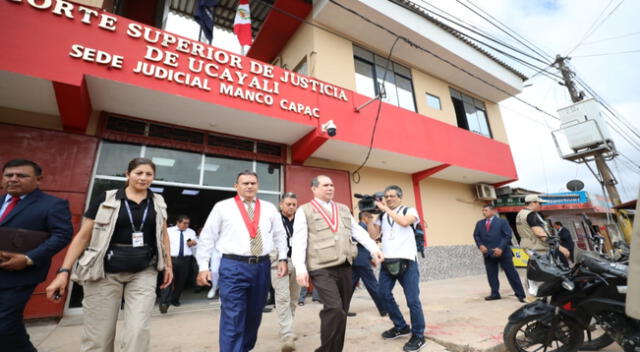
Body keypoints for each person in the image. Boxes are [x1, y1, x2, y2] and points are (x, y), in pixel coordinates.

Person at [46, 157, 173, 352]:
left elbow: (164, 236)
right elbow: (82, 237)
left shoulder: (158, 201)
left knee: (138, 331)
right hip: (103, 271)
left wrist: (168, 266)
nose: (143, 178)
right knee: (99, 335)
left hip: (143, 271)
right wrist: (64, 271)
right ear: (127, 174)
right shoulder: (106, 198)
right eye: (139, 173)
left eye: (149, 174)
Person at [196, 171, 288, 352]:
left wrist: (283, 257)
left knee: (254, 314)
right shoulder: (223, 207)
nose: (249, 186)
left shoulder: (269, 208)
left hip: (262, 266)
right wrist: (203, 266)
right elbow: (207, 237)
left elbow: (280, 235)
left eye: (253, 183)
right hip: (233, 265)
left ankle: (243, 349)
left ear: (258, 186)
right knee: (233, 315)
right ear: (235, 186)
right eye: (245, 183)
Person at [292, 175, 383, 352]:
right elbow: (299, 240)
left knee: (342, 312)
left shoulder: (342, 209)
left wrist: (374, 249)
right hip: (321, 267)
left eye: (332, 185)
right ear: (314, 189)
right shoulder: (305, 210)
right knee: (334, 309)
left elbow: (358, 233)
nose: (330, 188)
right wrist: (300, 269)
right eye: (325, 185)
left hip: (344, 266)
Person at [0, 159, 73, 352]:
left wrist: (28, 258)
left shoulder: (53, 204)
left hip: (19, 276)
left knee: (4, 325)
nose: (14, 179)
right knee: (10, 325)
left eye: (21, 175)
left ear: (39, 179)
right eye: (9, 175)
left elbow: (62, 235)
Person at [368, 185, 426, 352]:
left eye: (392, 196)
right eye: (386, 196)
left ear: (400, 197)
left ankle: (419, 335)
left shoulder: (410, 210)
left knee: (412, 300)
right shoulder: (382, 215)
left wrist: (384, 208)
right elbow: (373, 236)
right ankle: (401, 326)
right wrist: (372, 217)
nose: (388, 198)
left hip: (407, 262)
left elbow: (404, 222)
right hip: (388, 261)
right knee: (383, 294)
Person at [473, 204, 525, 302]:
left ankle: (520, 294)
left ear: (493, 211)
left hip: (503, 253)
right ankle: (495, 293)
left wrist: (500, 248)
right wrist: (480, 245)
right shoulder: (479, 223)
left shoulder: (502, 222)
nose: (483, 212)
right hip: (487, 253)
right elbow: (476, 235)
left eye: (486, 210)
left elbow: (507, 235)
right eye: (483, 210)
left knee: (511, 273)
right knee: (491, 274)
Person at [271, 192, 300, 352]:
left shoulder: (301, 220)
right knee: (282, 298)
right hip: (278, 263)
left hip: (297, 262)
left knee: (294, 298)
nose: (291, 207)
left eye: (294, 204)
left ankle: (285, 328)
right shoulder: (273, 219)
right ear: (281, 204)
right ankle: (288, 335)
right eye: (288, 204)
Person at [159, 215, 197, 313]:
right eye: (184, 223)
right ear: (178, 222)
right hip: (171, 258)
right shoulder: (169, 231)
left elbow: (196, 243)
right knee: (168, 280)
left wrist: (193, 243)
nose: (186, 225)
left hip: (185, 259)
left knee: (181, 281)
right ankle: (164, 302)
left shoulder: (191, 232)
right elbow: (163, 244)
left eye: (188, 223)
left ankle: (174, 300)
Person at [351, 211, 387, 317]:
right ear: (365, 218)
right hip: (361, 262)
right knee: (373, 286)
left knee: (349, 287)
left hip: (357, 261)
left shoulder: (359, 226)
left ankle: (341, 310)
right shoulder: (362, 226)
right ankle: (384, 309)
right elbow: (365, 242)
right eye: (370, 217)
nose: (371, 219)